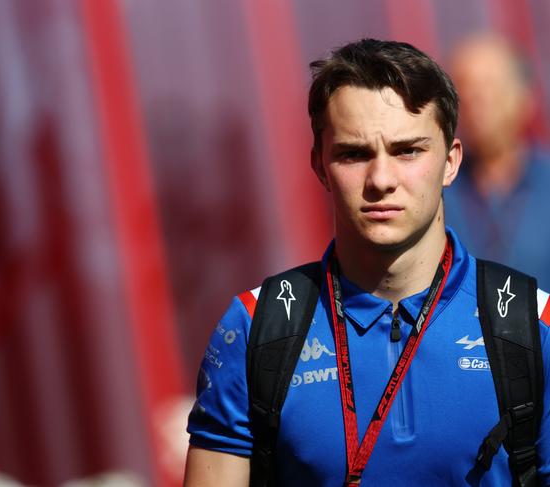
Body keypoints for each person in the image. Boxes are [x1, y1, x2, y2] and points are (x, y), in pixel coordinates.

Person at [184, 39, 550, 486]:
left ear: (451, 162)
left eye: (407, 151)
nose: (380, 180)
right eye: (354, 154)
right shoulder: (256, 328)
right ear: (319, 164)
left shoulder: (535, 326)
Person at [445, 33, 550, 290]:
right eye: (464, 89)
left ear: (524, 98)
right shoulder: (435, 189)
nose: (474, 100)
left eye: (488, 87)